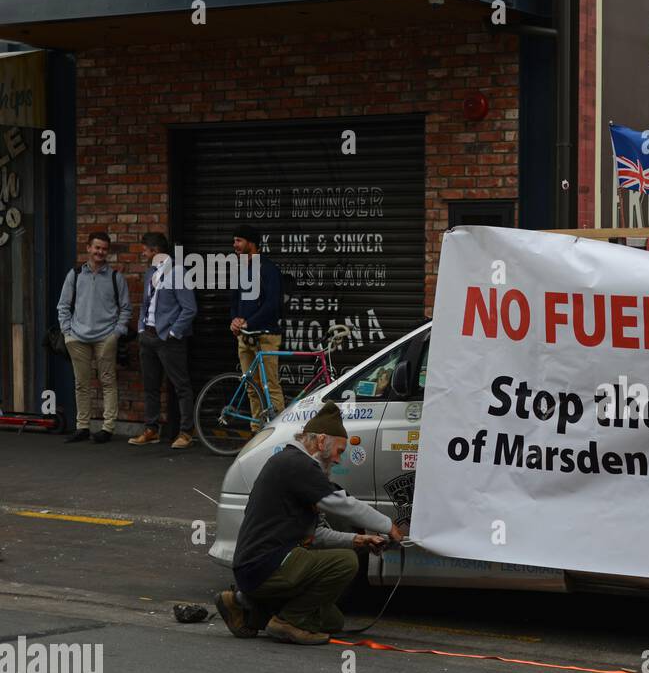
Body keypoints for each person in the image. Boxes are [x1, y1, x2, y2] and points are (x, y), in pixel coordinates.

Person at [214, 401, 405, 645]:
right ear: (322, 441)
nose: (338, 459)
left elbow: (317, 535)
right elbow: (342, 503)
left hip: (263, 567)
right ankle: (288, 622)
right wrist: (387, 525)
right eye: (339, 450)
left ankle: (245, 607)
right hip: (264, 565)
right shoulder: (297, 464)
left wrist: (358, 540)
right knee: (346, 562)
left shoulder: (295, 466)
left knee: (332, 621)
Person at [57, 232, 131, 443]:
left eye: (104, 249)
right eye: (97, 248)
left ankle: (108, 428)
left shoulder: (116, 278)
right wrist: (67, 333)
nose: (100, 252)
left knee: (108, 382)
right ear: (88, 248)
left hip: (105, 337)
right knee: (82, 383)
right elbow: (63, 305)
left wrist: (116, 334)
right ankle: (82, 427)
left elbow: (125, 309)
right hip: (77, 337)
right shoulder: (75, 274)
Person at [129, 233, 198, 449]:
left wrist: (173, 333)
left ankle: (186, 432)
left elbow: (190, 308)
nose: (143, 254)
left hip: (168, 340)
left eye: (146, 250)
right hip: (147, 337)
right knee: (150, 386)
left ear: (156, 250)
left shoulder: (179, 272)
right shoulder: (151, 271)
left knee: (181, 386)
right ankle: (151, 429)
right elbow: (145, 303)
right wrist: (141, 327)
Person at [230, 224, 285, 424]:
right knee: (251, 388)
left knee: (270, 386)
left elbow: (272, 305)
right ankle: (256, 432)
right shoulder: (242, 269)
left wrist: (248, 321)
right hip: (245, 336)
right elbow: (235, 301)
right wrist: (235, 320)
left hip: (266, 335)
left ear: (251, 244)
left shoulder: (268, 269)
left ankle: (276, 434)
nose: (234, 245)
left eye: (238, 241)